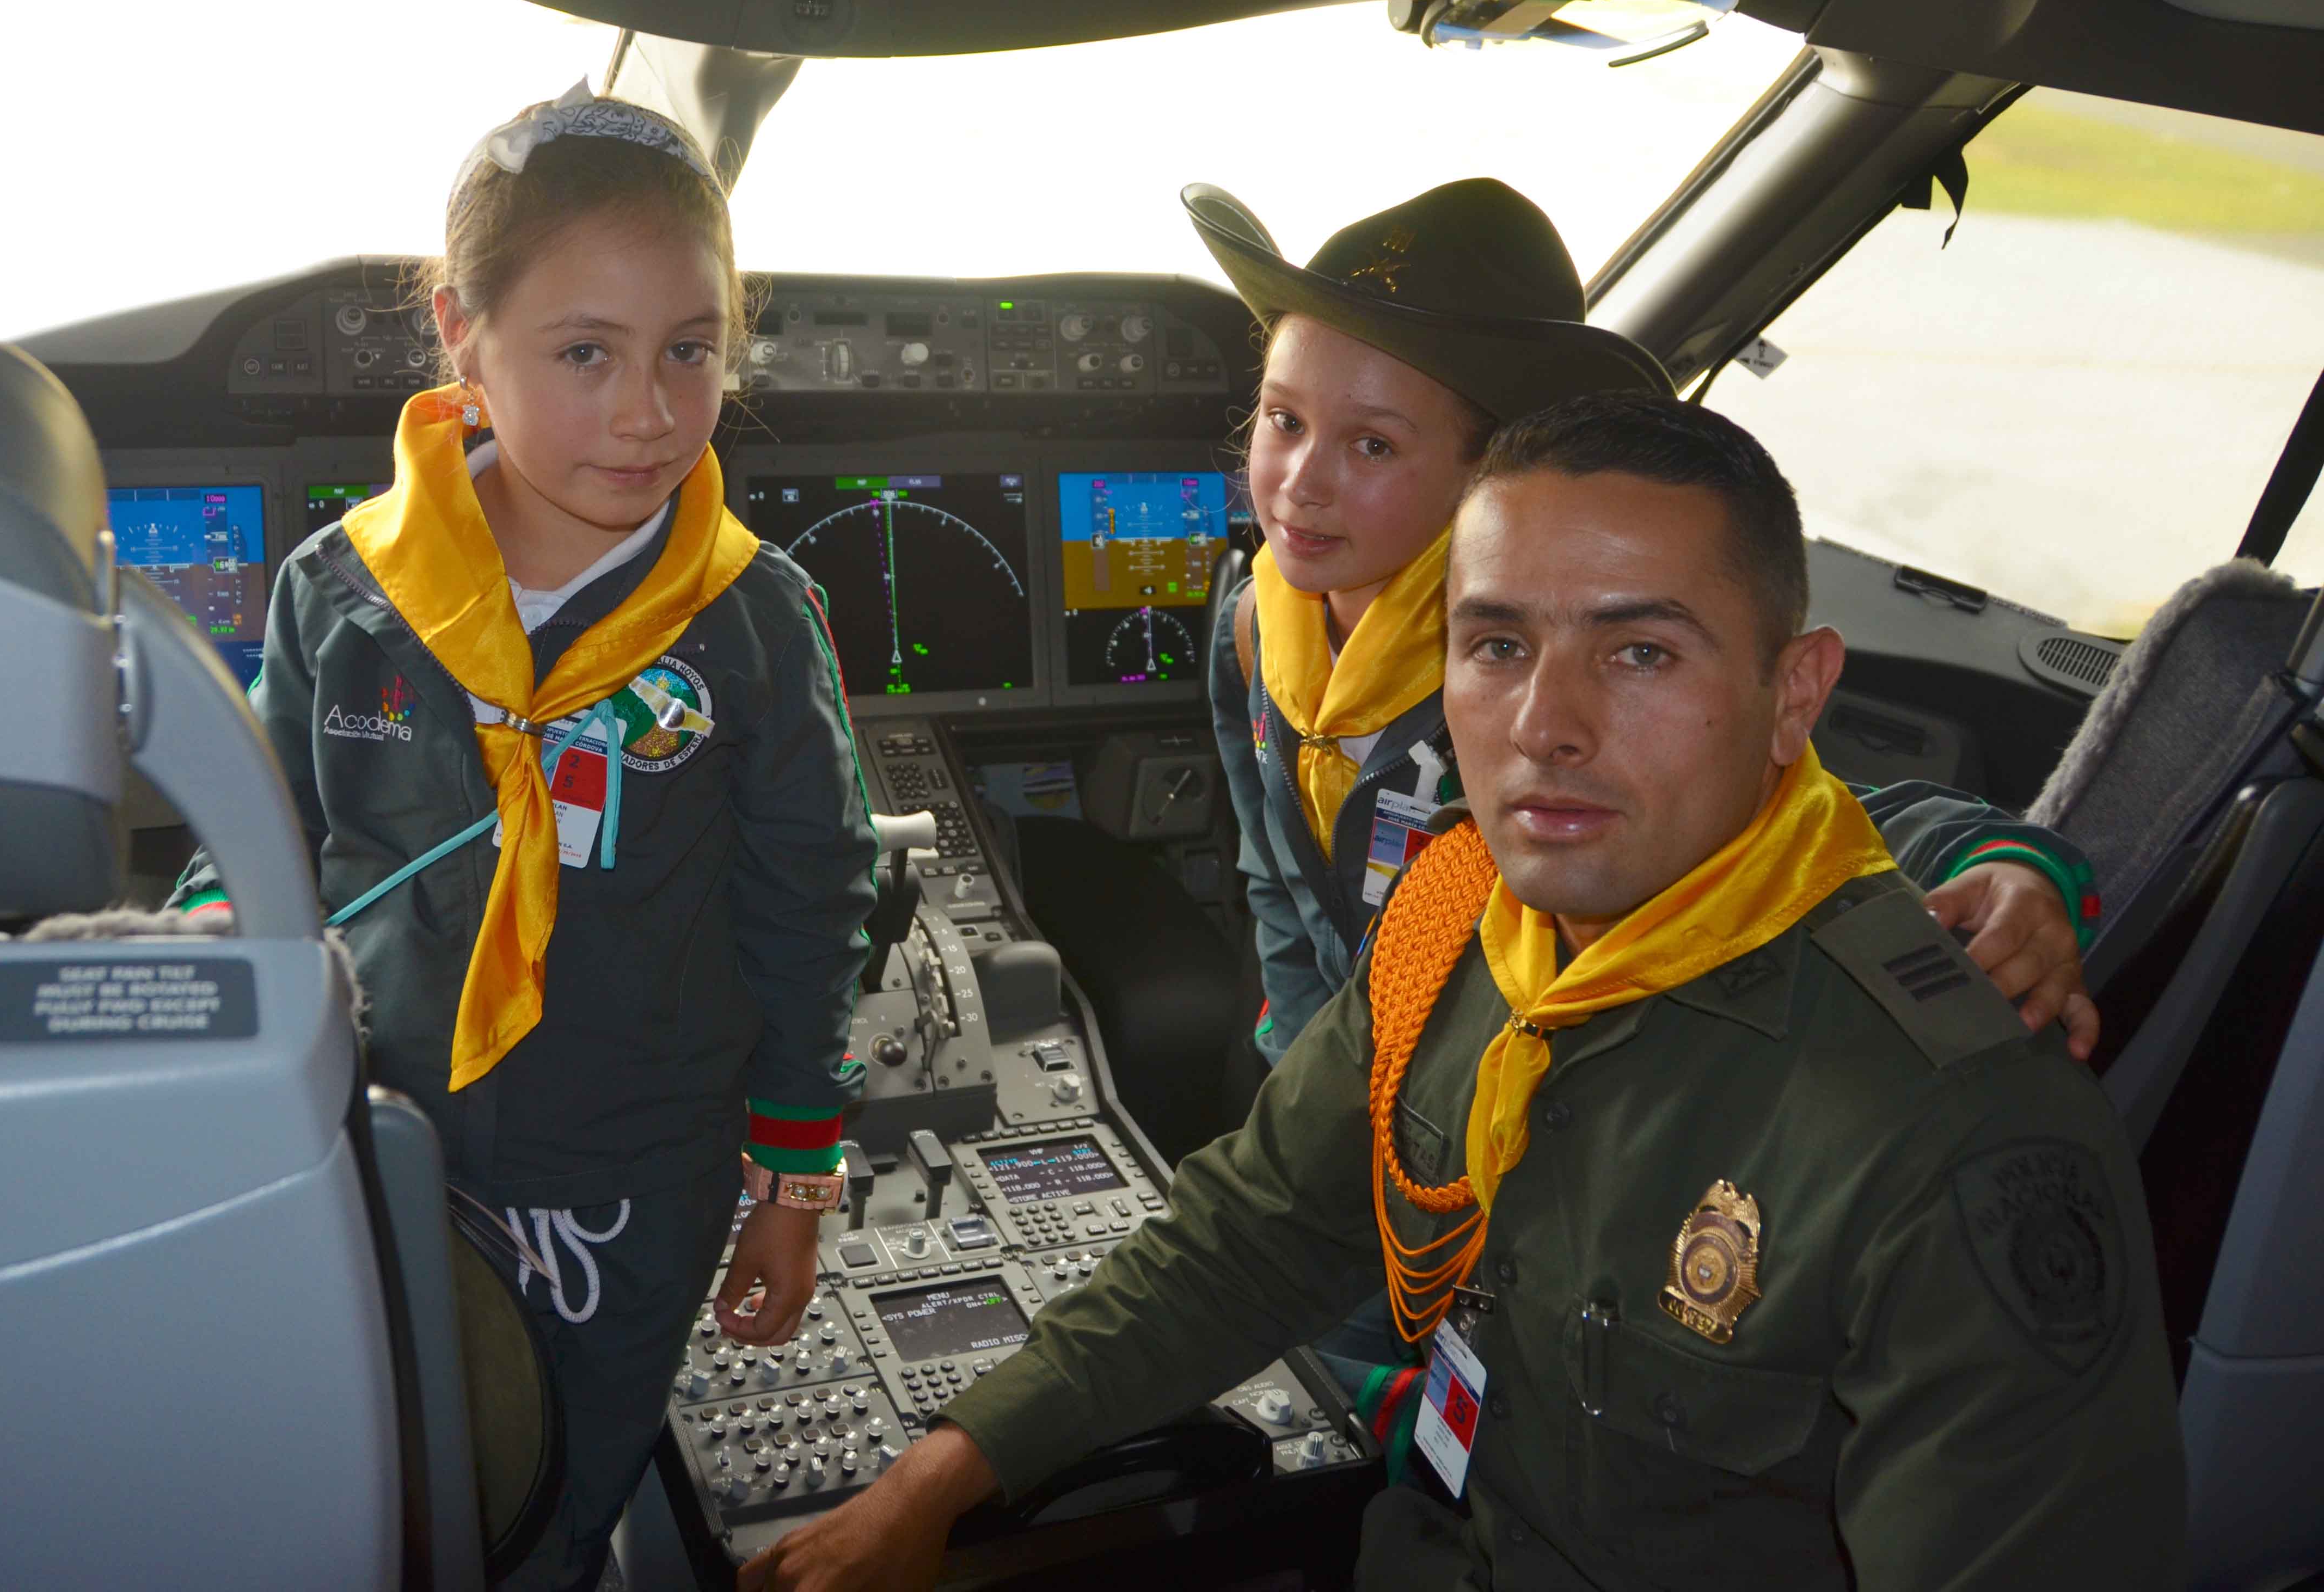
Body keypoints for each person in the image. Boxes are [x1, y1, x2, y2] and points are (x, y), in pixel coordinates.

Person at [740, 393, 2183, 1592]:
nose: (1545, 727)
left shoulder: (1952, 1132)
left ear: (1793, 693)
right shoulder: (1460, 934)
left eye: (1639, 650)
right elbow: (1250, 1240)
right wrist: (939, 1474)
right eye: (1497, 645)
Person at [1193, 177, 2107, 1441]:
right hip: (1370, 1103)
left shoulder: (1534, 686)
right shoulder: (1252, 625)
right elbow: (1275, 885)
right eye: (1281, 421)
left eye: (1373, 447)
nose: (1299, 482)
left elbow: (1829, 819)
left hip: (1541, 1133)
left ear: (1485, 479)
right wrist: (1314, 1078)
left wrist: (2014, 870)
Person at [169, 85, 876, 1591]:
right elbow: (262, 848)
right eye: (584, 355)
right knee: (381, 1473)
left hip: (631, 1172)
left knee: (545, 1501)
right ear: (463, 340)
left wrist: (793, 1182)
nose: (650, 412)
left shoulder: (752, 623)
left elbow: (811, 900)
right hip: (375, 1137)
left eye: (692, 352)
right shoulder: (341, 591)